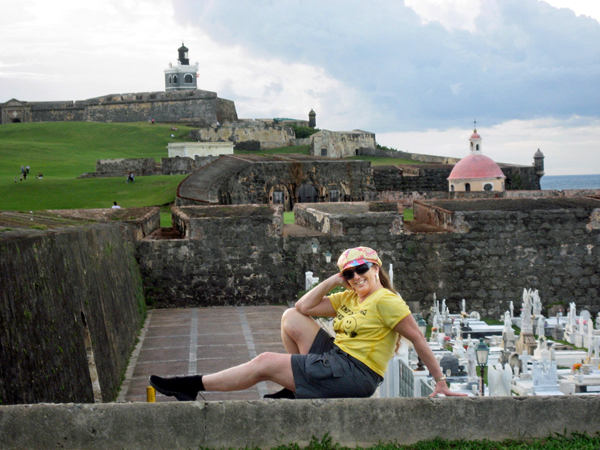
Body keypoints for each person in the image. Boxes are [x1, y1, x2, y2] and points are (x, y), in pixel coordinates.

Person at [150, 247, 466, 401]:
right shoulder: (350, 296)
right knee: (290, 318)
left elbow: (418, 339)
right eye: (349, 273)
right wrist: (334, 278)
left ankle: (190, 385)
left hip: (356, 373)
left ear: (376, 268)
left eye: (361, 270)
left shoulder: (386, 300)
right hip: (337, 359)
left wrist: (440, 381)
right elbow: (303, 308)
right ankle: (294, 388)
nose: (356, 277)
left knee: (264, 363)